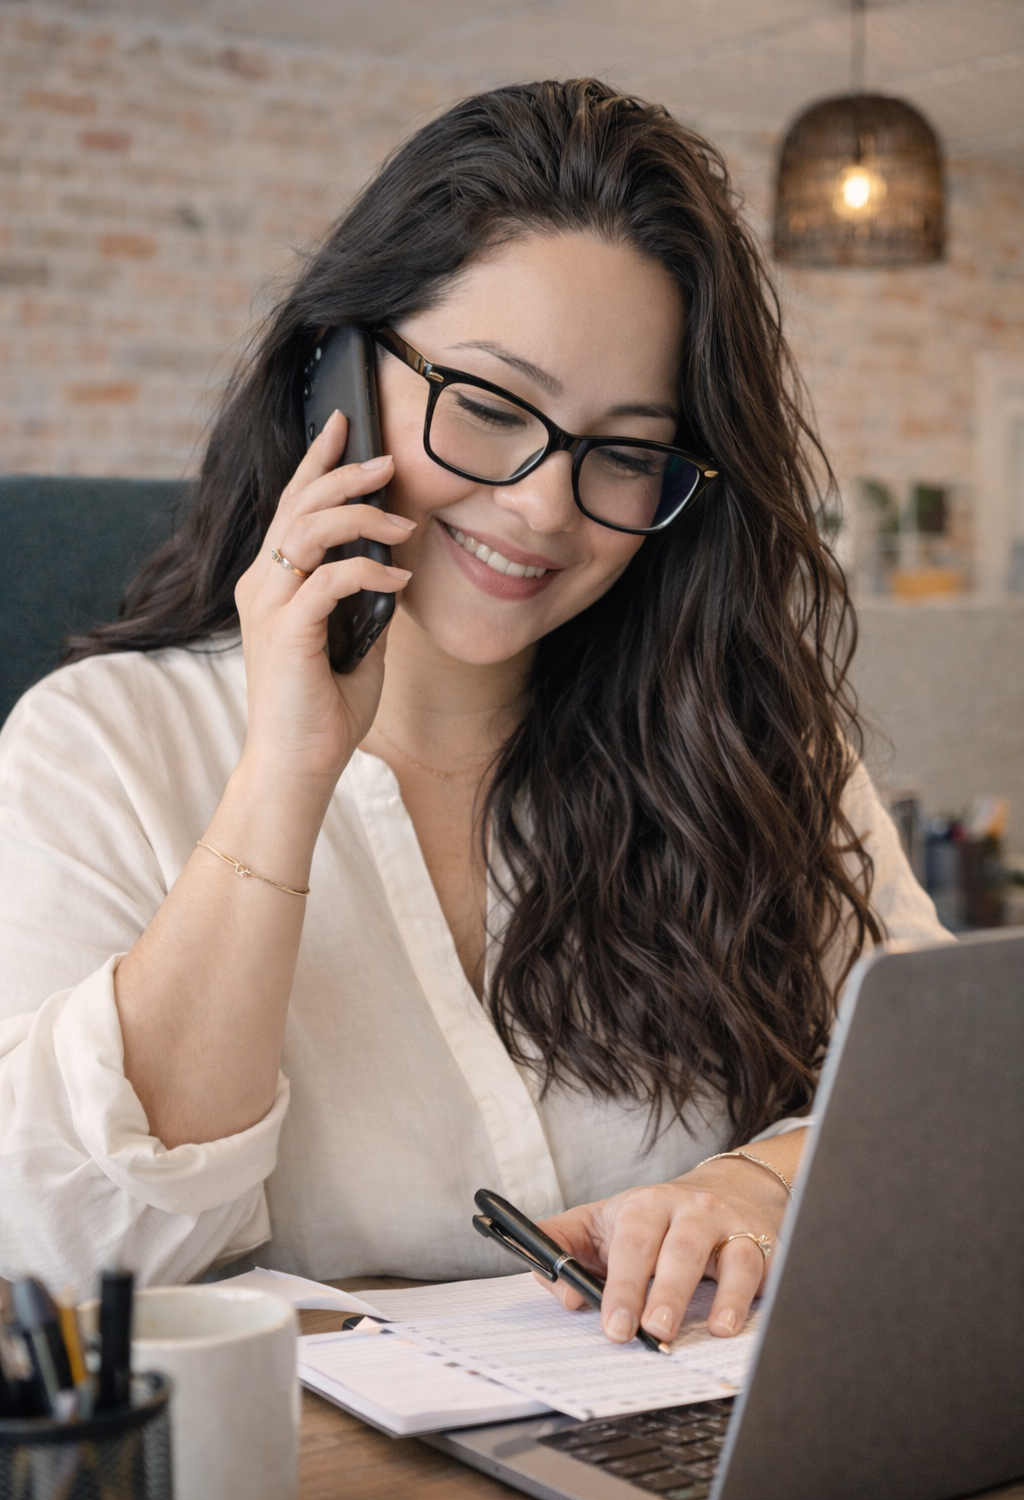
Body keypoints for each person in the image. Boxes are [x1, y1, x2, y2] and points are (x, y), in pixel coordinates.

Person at [0, 80, 947, 1347]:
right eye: (491, 407)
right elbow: (73, 1258)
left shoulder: (746, 736)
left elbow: (948, 1094)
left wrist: (752, 1183)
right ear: (335, 369)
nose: (544, 509)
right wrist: (287, 769)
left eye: (623, 451)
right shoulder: (100, 746)